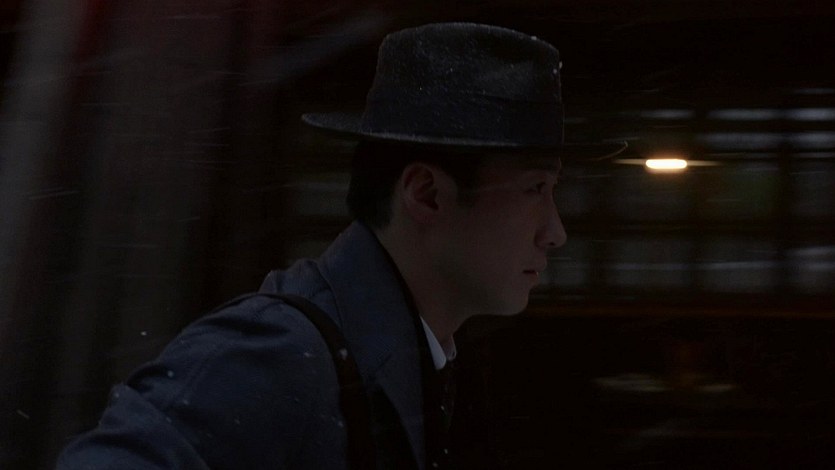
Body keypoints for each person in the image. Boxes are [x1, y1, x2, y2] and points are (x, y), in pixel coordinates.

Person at [56, 22, 625, 469]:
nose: (556, 232)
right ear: (426, 194)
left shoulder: (416, 352)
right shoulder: (278, 352)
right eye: (535, 189)